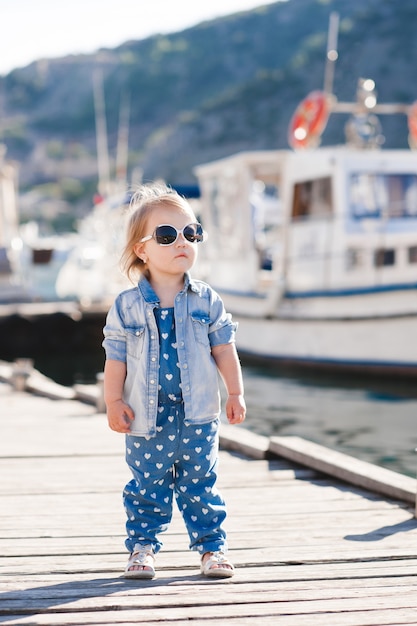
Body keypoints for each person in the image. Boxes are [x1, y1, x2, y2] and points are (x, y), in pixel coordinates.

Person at [102, 182, 246, 579]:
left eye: (191, 232)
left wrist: (235, 391)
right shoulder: (126, 306)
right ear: (142, 250)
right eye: (167, 235)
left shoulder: (207, 300)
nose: (182, 241)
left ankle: (212, 549)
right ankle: (143, 548)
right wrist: (114, 402)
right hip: (148, 419)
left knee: (201, 485)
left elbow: (223, 349)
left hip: (198, 414)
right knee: (147, 486)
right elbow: (115, 359)